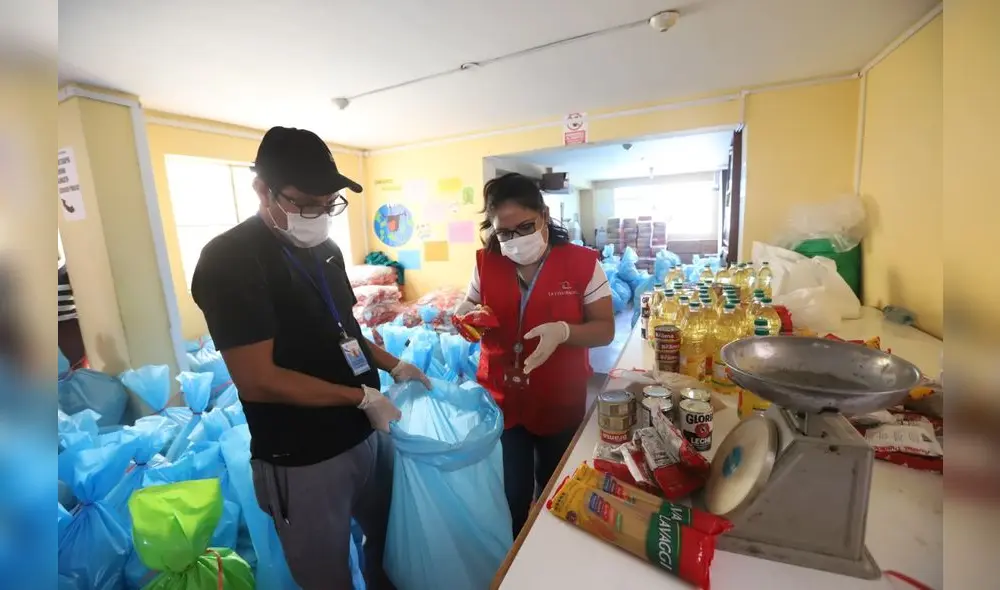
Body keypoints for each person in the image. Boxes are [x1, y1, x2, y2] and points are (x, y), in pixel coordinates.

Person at [191, 126, 429, 590]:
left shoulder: (326, 249)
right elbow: (258, 379)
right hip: (303, 457)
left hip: (366, 435)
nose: (318, 215)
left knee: (387, 539)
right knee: (327, 575)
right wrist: (359, 397)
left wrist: (392, 365)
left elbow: (349, 330)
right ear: (261, 189)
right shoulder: (231, 260)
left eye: (329, 203)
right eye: (304, 203)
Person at [458, 173, 615, 537]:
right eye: (504, 233)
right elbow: (470, 301)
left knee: (557, 488)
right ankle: (513, 555)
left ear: (544, 215)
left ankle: (549, 549)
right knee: (511, 492)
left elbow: (605, 328)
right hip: (503, 397)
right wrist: (466, 313)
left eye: (524, 227)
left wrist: (564, 331)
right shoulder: (486, 263)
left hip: (559, 397)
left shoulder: (582, 263)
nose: (514, 240)